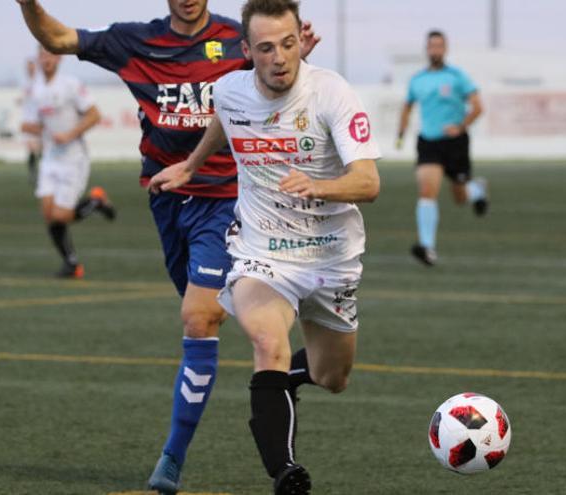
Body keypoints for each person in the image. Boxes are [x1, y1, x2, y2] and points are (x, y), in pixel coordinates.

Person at [14, 1, 319, 492]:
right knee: (219, 315)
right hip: (167, 199)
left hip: (227, 201)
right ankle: (299, 366)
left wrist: (295, 54)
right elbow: (59, 39)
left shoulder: (235, 38)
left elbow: (279, 82)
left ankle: (171, 460)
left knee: (199, 317)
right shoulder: (136, 41)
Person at [149, 0, 381, 492]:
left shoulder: (332, 93)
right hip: (262, 252)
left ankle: (295, 378)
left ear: (302, 40)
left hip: (331, 257)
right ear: (248, 51)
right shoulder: (230, 90)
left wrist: (323, 186)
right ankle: (285, 472)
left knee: (332, 376)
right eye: (267, 48)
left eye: (289, 44)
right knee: (266, 342)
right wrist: (190, 168)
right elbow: (224, 120)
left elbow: (368, 182)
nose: (280, 58)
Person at [21, 46, 116, 279]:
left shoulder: (71, 85)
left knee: (61, 216)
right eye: (42, 55)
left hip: (74, 159)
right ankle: (71, 264)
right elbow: (31, 122)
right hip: (51, 159)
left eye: (50, 55)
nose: (46, 59)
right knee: (48, 215)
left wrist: (70, 134)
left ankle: (96, 200)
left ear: (59, 58)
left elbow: (94, 115)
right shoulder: (35, 89)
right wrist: (31, 127)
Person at [396, 30, 486, 267]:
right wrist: (401, 133)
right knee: (427, 191)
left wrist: (461, 126)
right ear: (426, 49)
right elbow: (407, 107)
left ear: (445, 49)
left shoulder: (458, 77)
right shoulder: (417, 80)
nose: (435, 50)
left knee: (460, 196)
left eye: (439, 46)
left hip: (455, 143)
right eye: (431, 46)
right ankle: (427, 248)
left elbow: (478, 107)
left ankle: (477, 190)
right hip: (429, 143)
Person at [20, 58, 42, 185]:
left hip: (39, 121)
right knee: (31, 149)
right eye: (28, 67)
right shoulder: (25, 83)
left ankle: (43, 172)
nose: (30, 69)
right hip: (29, 121)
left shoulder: (40, 82)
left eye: (32, 66)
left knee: (41, 149)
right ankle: (33, 173)